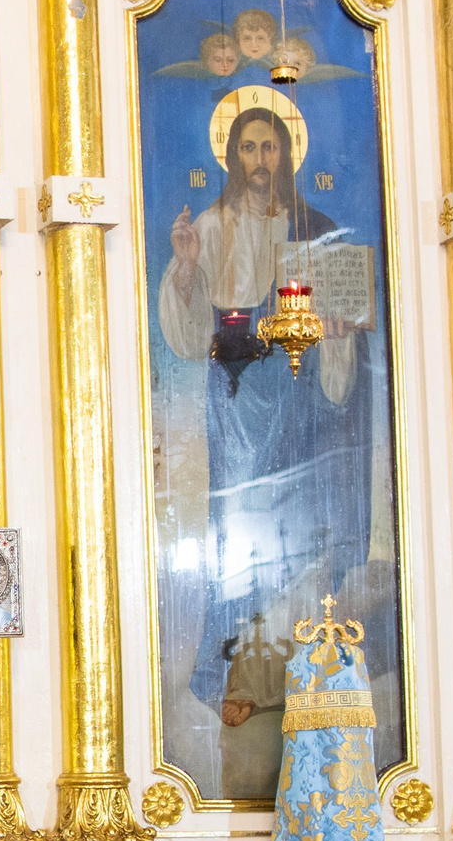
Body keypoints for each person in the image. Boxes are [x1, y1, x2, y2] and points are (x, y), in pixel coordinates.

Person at [158, 102, 385, 800]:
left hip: (307, 400)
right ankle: (240, 675)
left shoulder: (317, 232)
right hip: (238, 401)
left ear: (287, 154)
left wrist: (342, 330)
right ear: (232, 155)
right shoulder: (215, 228)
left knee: (310, 538)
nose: (261, 160)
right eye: (249, 147)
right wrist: (189, 270)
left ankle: (314, 670)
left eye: (271, 147)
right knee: (245, 544)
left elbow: (347, 322)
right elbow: (191, 335)